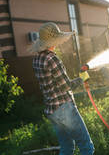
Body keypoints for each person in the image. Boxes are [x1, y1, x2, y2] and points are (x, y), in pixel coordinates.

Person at [29, 22, 94, 155]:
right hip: (64, 109)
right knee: (87, 147)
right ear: (53, 41)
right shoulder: (52, 58)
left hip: (52, 111)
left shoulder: (37, 59)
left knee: (67, 148)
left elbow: (52, 83)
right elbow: (66, 86)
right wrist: (81, 78)